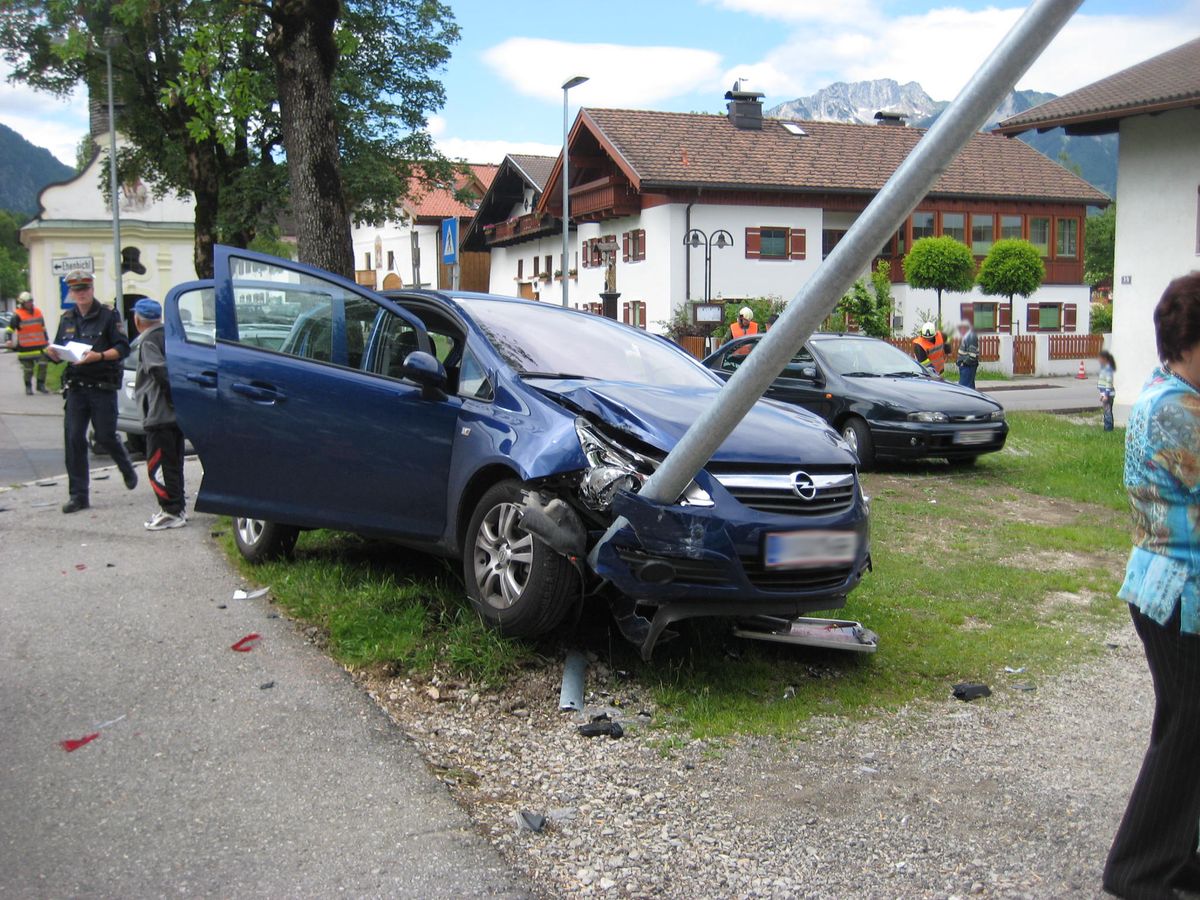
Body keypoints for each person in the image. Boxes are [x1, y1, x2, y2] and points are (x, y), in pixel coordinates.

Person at [1103, 272, 1200, 900]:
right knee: (1188, 724)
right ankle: (1136, 870)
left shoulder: (1171, 394)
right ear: (1190, 342)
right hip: (1178, 594)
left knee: (1186, 723)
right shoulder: (1176, 410)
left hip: (1167, 589)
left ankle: (1169, 860)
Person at [45, 270, 138, 514]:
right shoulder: (67, 318)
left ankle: (125, 465)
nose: (81, 293)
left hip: (102, 386)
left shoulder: (108, 315)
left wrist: (99, 356)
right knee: (74, 439)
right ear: (71, 293)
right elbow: (61, 350)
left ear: (92, 289)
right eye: (76, 290)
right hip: (76, 387)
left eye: (85, 288)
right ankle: (79, 495)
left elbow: (123, 348)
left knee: (105, 436)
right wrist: (53, 354)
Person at [132, 298, 186, 530]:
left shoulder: (147, 342)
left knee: (159, 466)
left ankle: (171, 510)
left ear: (137, 320)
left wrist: (170, 400)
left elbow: (158, 370)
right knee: (174, 463)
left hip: (158, 414)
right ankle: (178, 506)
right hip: (175, 417)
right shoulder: (170, 336)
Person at [8, 291, 50, 394]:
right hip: (25, 348)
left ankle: (41, 385)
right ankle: (28, 387)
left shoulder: (38, 312)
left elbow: (43, 327)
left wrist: (46, 340)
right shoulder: (17, 315)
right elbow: (10, 329)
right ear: (22, 303)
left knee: (43, 365)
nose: (30, 304)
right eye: (27, 302)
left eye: (31, 301)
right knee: (28, 369)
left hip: (40, 346)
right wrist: (9, 339)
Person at [955, 319, 980, 390]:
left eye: (961, 328)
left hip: (968, 367)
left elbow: (972, 355)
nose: (960, 330)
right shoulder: (968, 336)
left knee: (965, 388)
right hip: (966, 367)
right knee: (968, 388)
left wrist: (964, 363)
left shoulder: (971, 337)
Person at [1098, 350, 1117, 432]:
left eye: (1100, 358)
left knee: (1108, 412)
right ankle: (1107, 427)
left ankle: (1108, 429)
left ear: (1104, 359)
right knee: (1106, 411)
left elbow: (1109, 383)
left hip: (1108, 394)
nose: (1099, 360)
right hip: (1105, 393)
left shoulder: (1108, 369)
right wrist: (1102, 394)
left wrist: (1106, 395)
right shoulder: (1104, 368)